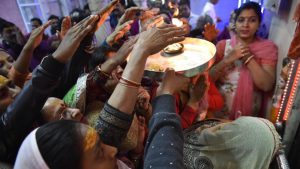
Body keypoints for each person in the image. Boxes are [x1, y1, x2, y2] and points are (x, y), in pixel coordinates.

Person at [14, 23, 186, 169]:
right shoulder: (94, 110)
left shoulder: (95, 144)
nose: (113, 150)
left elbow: (111, 128)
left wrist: (138, 149)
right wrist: (165, 97)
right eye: (99, 152)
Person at [209, 2, 278, 119]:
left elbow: (266, 85)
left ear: (259, 24)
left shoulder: (267, 48)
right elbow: (208, 78)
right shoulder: (222, 46)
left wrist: (249, 58)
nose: (245, 24)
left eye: (252, 20)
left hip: (248, 115)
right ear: (235, 23)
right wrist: (227, 59)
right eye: (241, 20)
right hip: (219, 112)